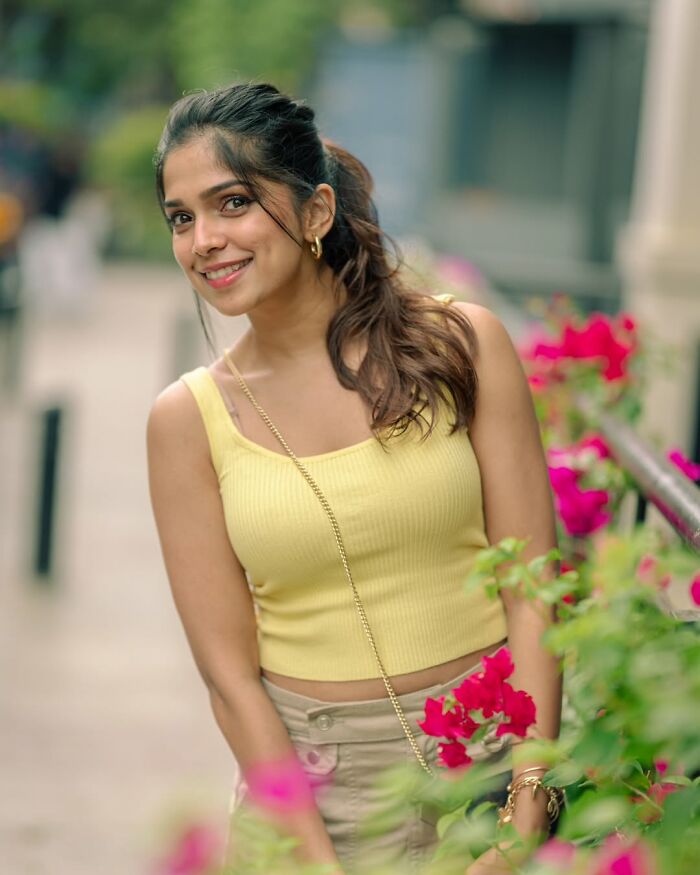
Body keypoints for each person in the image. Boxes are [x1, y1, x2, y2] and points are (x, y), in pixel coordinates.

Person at [147, 81, 562, 875]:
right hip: (313, 796)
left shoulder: (461, 344)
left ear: (315, 211)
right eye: (181, 217)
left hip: (488, 766)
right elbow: (231, 679)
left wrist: (523, 806)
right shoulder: (185, 422)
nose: (204, 239)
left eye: (231, 202)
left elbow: (534, 587)